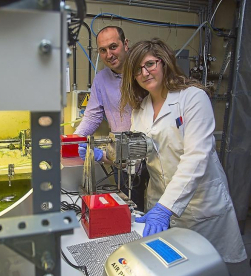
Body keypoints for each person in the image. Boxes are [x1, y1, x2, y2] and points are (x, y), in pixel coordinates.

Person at [120, 38, 247, 263]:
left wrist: (166, 208)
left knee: (205, 266)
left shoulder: (193, 98)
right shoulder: (140, 110)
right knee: (168, 264)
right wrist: (111, 156)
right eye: (138, 69)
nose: (145, 73)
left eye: (150, 64)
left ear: (164, 62)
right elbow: (139, 155)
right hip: (159, 200)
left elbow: (197, 157)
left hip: (199, 205)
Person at [75, 26, 146, 210]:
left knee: (155, 202)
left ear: (126, 44)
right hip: (120, 157)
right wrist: (73, 141)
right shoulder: (101, 79)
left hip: (149, 153)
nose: (109, 54)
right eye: (103, 50)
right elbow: (92, 116)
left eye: (113, 46)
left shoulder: (143, 74)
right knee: (131, 208)